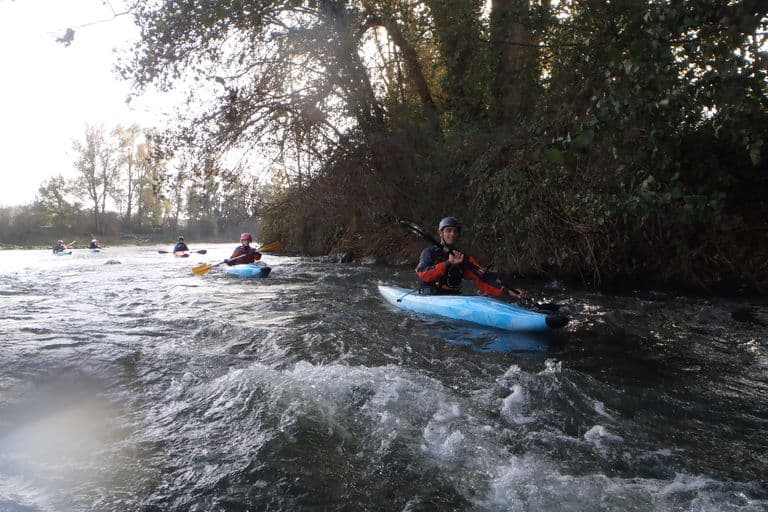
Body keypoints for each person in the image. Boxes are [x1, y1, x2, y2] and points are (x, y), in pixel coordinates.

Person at [416, 216, 526, 298]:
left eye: (455, 231)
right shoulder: (429, 252)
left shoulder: (462, 257)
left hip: (454, 296)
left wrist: (509, 291)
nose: (452, 234)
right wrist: (448, 263)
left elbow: (481, 277)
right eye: (448, 230)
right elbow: (423, 274)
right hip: (431, 295)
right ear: (441, 233)